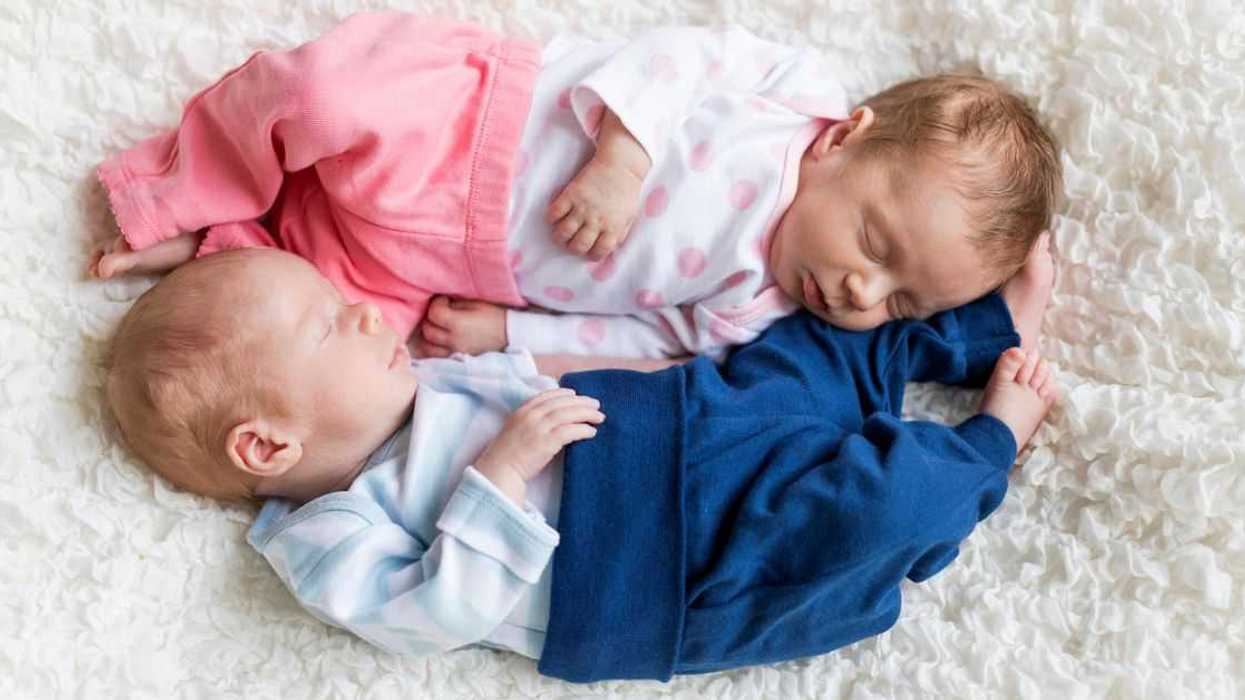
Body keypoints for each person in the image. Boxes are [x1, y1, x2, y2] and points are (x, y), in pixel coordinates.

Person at [104, 247, 1056, 681]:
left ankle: (978, 331)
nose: (359, 311)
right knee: (861, 517)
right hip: (655, 575)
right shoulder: (325, 537)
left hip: (670, 425)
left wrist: (675, 378)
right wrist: (498, 476)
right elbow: (431, 618)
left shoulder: (417, 380)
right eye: (326, 325)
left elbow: (545, 374)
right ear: (267, 446)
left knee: (807, 353)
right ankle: (989, 443)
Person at [91, 11, 1061, 361]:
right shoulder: (792, 96)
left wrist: (511, 335)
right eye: (878, 248)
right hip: (472, 125)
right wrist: (623, 159)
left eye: (900, 304)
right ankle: (182, 183)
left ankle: (213, 250)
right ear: (847, 139)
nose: (859, 292)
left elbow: (645, 342)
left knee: (331, 347)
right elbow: (679, 56)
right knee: (323, 92)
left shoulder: (753, 307)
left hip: (442, 266)